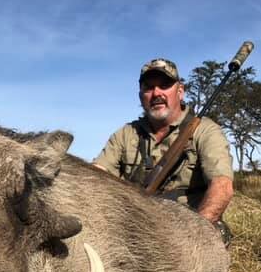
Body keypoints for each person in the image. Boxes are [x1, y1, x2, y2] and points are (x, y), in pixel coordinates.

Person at [93, 58, 234, 231]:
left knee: (217, 232)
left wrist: (197, 233)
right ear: (140, 95)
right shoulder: (125, 133)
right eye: (148, 87)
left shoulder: (206, 130)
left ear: (180, 91)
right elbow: (97, 174)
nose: (156, 93)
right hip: (135, 226)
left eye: (165, 85)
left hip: (187, 227)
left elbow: (222, 186)